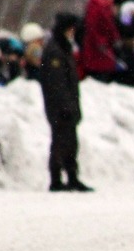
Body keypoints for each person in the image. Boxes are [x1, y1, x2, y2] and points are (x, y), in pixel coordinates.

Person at [39, 13, 93, 192]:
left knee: (69, 142)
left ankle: (71, 176)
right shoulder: (55, 50)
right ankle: (56, 179)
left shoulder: (62, 48)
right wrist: (65, 106)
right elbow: (56, 83)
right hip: (59, 107)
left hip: (67, 104)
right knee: (60, 141)